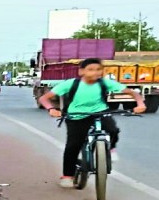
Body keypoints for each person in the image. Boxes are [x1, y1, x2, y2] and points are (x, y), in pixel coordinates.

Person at [37, 58, 146, 189]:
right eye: (91, 69)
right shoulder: (71, 84)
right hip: (77, 116)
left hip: (100, 112)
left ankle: (111, 148)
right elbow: (44, 98)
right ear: (81, 71)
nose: (95, 73)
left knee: (113, 129)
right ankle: (67, 176)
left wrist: (140, 103)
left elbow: (133, 93)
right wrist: (51, 109)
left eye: (98, 69)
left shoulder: (104, 83)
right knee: (73, 145)